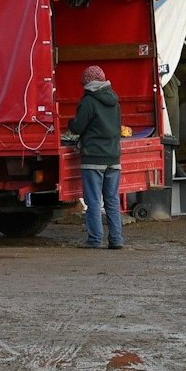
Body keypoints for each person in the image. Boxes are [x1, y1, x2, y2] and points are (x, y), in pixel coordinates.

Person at [64, 65, 124, 249]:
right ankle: (117, 240)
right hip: (113, 157)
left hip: (93, 158)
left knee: (94, 201)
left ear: (88, 82)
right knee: (112, 201)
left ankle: (95, 239)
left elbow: (78, 127)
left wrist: (70, 123)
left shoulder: (89, 101)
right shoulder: (115, 101)